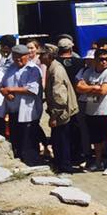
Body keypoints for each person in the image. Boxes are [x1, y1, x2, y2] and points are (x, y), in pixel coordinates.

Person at [76, 49, 107, 175]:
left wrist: (88, 88)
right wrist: (93, 87)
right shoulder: (89, 72)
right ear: (95, 60)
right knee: (96, 139)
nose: (105, 61)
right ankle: (98, 162)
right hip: (92, 110)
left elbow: (103, 91)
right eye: (101, 59)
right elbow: (79, 87)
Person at [0, 45, 43, 164]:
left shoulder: (33, 69)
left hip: (28, 111)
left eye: (20, 57)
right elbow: (2, 85)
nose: (17, 60)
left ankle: (32, 160)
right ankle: (19, 158)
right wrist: (4, 92)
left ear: (27, 56)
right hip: (13, 109)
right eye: (15, 57)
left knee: (28, 138)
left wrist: (10, 89)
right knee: (16, 137)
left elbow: (32, 89)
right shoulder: (10, 69)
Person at [41, 45, 78, 174]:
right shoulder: (52, 67)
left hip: (61, 113)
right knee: (58, 140)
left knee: (62, 141)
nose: (39, 57)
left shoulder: (56, 70)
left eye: (42, 55)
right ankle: (60, 164)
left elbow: (59, 97)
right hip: (59, 111)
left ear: (48, 55)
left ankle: (65, 168)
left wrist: (54, 116)